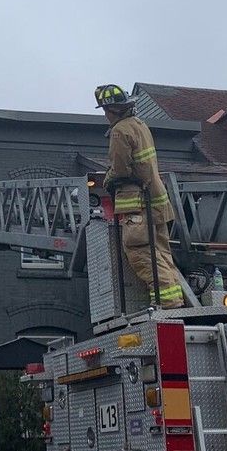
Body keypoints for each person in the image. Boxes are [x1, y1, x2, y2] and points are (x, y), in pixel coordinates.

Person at [96, 83, 184, 309]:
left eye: (105, 111)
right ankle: (173, 299)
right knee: (162, 253)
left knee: (140, 252)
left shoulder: (119, 131)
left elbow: (121, 169)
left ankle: (166, 303)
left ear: (112, 110)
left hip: (138, 205)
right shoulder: (140, 125)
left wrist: (107, 180)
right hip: (157, 201)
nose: (105, 115)